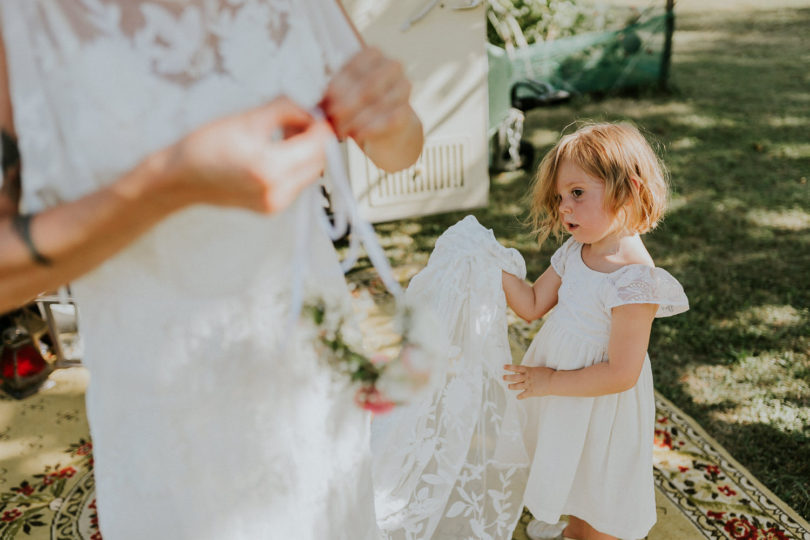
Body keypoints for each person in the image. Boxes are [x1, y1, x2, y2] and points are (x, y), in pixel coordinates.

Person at [0, 1, 422, 538]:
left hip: (314, 386)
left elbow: (401, 150)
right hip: (167, 420)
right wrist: (167, 186)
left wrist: (390, 115)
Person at [500, 122, 689, 540]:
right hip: (564, 397)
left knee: (600, 493)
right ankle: (572, 527)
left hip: (602, 404)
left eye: (577, 193)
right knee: (570, 469)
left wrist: (549, 380)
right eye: (560, 198)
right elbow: (531, 305)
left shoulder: (633, 281)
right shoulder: (574, 251)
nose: (564, 208)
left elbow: (621, 373)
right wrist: (489, 265)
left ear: (628, 189)